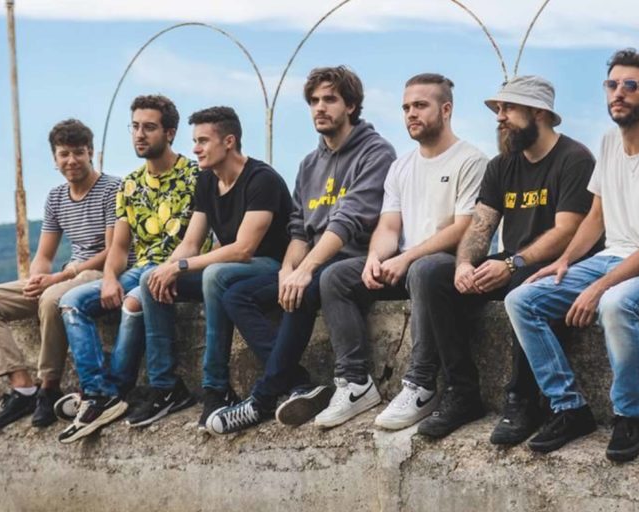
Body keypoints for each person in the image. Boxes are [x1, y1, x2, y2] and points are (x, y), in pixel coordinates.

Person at [505, 49, 639, 462]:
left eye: (631, 86)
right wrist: (564, 261)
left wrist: (598, 288)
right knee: (521, 299)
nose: (618, 93)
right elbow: (596, 215)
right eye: (612, 84)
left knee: (613, 304)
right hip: (613, 256)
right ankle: (569, 408)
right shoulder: (609, 142)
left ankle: (630, 415)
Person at [204, 66, 396, 435]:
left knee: (305, 290)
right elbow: (298, 229)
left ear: (351, 106)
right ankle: (298, 382)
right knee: (236, 295)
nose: (319, 108)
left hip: (354, 260)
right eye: (313, 101)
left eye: (330, 99)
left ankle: (261, 399)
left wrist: (304, 270)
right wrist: (287, 269)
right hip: (314, 261)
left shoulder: (376, 152)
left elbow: (348, 220)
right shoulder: (309, 163)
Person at [414, 75, 599, 440]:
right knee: (433, 274)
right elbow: (481, 225)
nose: (499, 117)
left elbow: (567, 231)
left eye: (509, 108)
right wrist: (464, 264)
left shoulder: (575, 159)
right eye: (498, 109)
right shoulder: (501, 165)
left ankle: (523, 400)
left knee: (524, 284)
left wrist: (513, 264)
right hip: (512, 261)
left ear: (539, 113)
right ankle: (461, 393)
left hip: (559, 265)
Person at [311, 73, 487, 429]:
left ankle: (421, 384)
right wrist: (375, 258)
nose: (411, 114)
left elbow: (463, 228)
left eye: (420, 105)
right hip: (405, 263)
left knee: (424, 269)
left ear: (446, 109)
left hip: (446, 266)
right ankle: (355, 383)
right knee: (335, 277)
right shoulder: (401, 166)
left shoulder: (471, 160)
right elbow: (389, 226)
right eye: (406, 107)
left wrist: (406, 258)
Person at [122, 106, 292, 428]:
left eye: (203, 141)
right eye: (194, 141)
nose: (195, 149)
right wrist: (167, 269)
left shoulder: (261, 179)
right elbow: (190, 242)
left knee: (214, 274)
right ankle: (166, 387)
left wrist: (182, 266)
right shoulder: (207, 181)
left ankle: (216, 387)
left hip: (271, 268)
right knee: (149, 279)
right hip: (231, 268)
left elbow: (243, 249)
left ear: (229, 141)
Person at [57, 95, 201, 443]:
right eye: (135, 126)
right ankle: (100, 391)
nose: (139, 134)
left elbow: (195, 240)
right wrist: (109, 278)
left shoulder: (195, 176)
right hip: (140, 268)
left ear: (170, 132)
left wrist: (169, 269)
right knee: (72, 301)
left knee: (135, 300)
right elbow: (120, 248)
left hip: (181, 268)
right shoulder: (130, 184)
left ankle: (116, 393)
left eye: (149, 127)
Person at [0, 119, 121, 429]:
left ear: (90, 152)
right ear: (54, 158)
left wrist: (58, 279)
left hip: (100, 273)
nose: (71, 160)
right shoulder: (56, 197)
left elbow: (113, 250)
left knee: (52, 299)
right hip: (66, 276)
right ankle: (24, 388)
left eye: (78, 152)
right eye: (64, 154)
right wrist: (36, 279)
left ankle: (49, 389)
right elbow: (44, 255)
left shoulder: (112, 188)